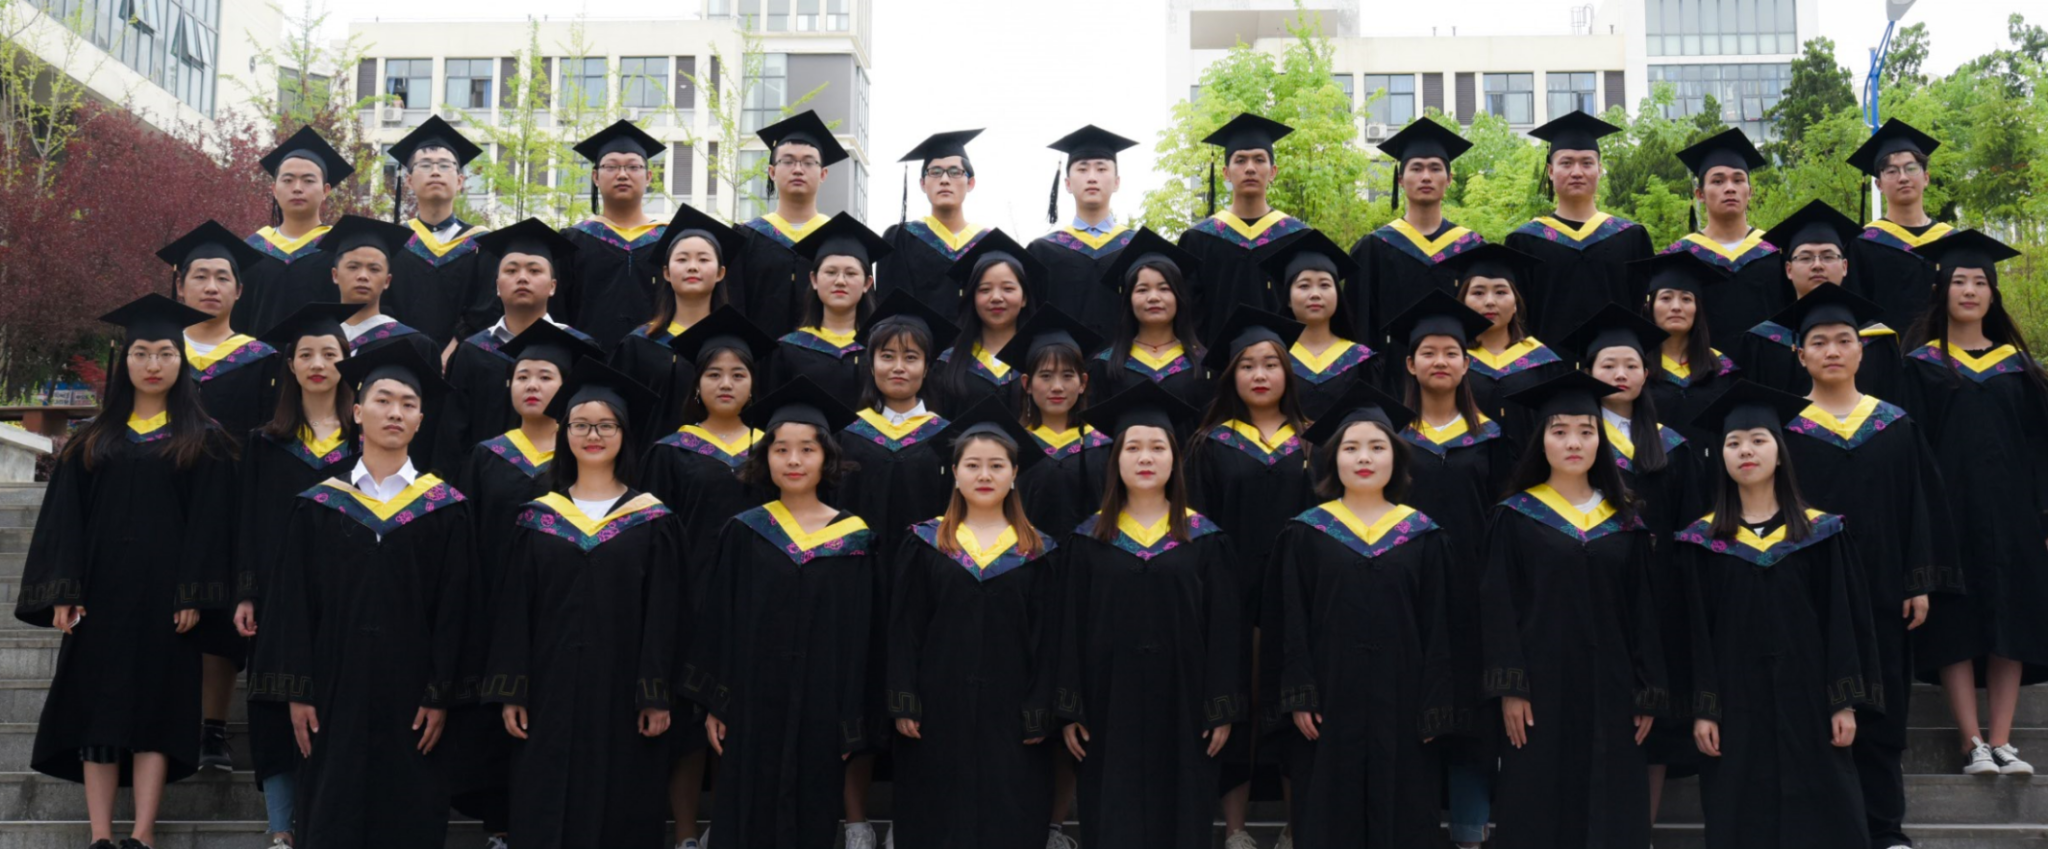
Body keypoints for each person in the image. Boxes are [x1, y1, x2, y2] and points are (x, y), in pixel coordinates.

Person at [16, 295, 236, 849]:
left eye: (165, 353)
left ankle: (142, 833)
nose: (153, 364)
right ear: (125, 361)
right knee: (97, 709)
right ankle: (100, 835)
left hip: (166, 598)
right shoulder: (93, 437)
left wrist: (193, 592)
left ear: (181, 360)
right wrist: (64, 589)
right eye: (141, 353)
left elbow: (210, 524)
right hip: (101, 594)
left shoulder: (202, 436)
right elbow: (64, 520)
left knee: (156, 709)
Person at [250, 341, 472, 849]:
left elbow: (456, 608)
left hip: (413, 693)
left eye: (408, 404)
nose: (395, 412)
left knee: (409, 812)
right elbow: (293, 605)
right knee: (334, 810)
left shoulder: (445, 509)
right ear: (357, 412)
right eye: (383, 400)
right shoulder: (319, 505)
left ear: (421, 420)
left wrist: (440, 694)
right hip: (333, 687)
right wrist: (298, 690)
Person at [1780, 283, 1957, 849]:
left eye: (1843, 340)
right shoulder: (1783, 430)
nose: (1832, 350)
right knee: (1811, 708)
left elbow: (1919, 507)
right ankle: (1822, 826)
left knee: (1881, 710)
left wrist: (1918, 580)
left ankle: (1884, 829)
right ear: (1799, 355)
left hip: (1882, 591)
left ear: (1861, 351)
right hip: (1807, 592)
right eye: (1819, 342)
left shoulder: (1894, 425)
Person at [483, 356, 681, 848]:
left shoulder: (652, 519)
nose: (593, 435)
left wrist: (655, 693)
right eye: (581, 425)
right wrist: (513, 689)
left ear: (624, 434)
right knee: (544, 797)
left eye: (606, 425)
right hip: (547, 689)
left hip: (623, 692)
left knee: (621, 803)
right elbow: (514, 611)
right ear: (565, 432)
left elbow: (664, 614)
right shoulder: (537, 518)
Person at [1680, 380, 1883, 849]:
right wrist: (1705, 709)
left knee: (1825, 812)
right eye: (1733, 443)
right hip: (1734, 702)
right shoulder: (1700, 543)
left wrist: (1843, 701)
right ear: (1722, 456)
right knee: (1741, 811)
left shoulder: (1820, 533)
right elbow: (1695, 634)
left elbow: (1842, 621)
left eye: (1758, 440)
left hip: (1810, 698)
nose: (1745, 451)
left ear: (1779, 451)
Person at [681, 377, 874, 849]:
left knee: (812, 810)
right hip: (751, 702)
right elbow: (720, 623)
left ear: (827, 457)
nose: (793, 460)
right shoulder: (745, 532)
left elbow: (862, 635)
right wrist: (717, 702)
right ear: (764, 458)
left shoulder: (855, 539)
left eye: (807, 450)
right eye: (781, 449)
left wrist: (852, 719)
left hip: (822, 706)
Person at [1055, 380, 1244, 849]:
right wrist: (1070, 706)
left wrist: (1221, 707)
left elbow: (1224, 630)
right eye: (1133, 447)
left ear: (1175, 460)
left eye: (1158, 447)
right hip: (1106, 701)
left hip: (1185, 701)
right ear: (1115, 460)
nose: (1145, 458)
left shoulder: (1205, 539)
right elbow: (1068, 628)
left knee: (1181, 810)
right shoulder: (1087, 541)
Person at [1480, 371, 1663, 849]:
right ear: (1541, 441)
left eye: (1586, 430)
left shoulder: (1625, 521)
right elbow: (1499, 605)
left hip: (1613, 685)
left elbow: (1643, 611)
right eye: (1559, 431)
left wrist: (1647, 689)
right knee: (1539, 797)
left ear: (1601, 440)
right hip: (1540, 687)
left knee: (1611, 798)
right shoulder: (1515, 516)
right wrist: (1511, 687)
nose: (1574, 442)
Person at [1274, 380, 1454, 849]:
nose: (1364, 457)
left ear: (1396, 457)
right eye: (1350, 447)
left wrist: (1435, 703)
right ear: (1333, 459)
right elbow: (1290, 620)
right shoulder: (1306, 533)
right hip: (1329, 697)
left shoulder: (1423, 535)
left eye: (1377, 446)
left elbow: (1439, 625)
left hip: (1404, 697)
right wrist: (1300, 693)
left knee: (1405, 808)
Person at [446, 320, 605, 845]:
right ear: (508, 386)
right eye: (522, 376)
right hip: (496, 610)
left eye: (545, 376)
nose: (532, 385)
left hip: (565, 614)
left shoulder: (584, 457)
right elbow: (466, 540)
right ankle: (499, 826)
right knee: (497, 715)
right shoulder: (486, 456)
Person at [1901, 230, 2048, 777]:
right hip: (1949, 514)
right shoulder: (1919, 366)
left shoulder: (2020, 369)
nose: (1969, 291)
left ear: (1992, 293)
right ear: (1941, 292)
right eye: (1959, 281)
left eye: (1979, 282)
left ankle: (2003, 741)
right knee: (1957, 625)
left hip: (2013, 516)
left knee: (2012, 617)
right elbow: (1913, 449)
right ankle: (1972, 742)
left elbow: (2040, 449)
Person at [885, 398, 1062, 849]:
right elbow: (904, 628)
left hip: (1012, 711)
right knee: (936, 812)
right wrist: (905, 700)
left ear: (1014, 474)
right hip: (936, 707)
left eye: (996, 465)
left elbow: (1049, 641)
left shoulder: (1039, 551)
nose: (985, 475)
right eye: (973, 465)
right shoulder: (924, 543)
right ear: (955, 473)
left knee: (1010, 811)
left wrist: (1038, 710)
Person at [1557, 303, 1704, 820]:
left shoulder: (1671, 446)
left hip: (1657, 600)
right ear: (1588, 372)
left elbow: (1690, 530)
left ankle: (1639, 829)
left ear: (1647, 373)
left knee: (1652, 716)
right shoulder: (1571, 443)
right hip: (1588, 593)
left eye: (1631, 365)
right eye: (1608, 365)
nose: (1621, 374)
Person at [638, 307, 776, 849]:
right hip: (689, 599)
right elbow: (655, 533)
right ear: (696, 384)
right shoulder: (671, 451)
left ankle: (733, 827)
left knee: (742, 716)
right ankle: (687, 834)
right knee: (691, 722)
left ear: (753, 383)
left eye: (738, 374)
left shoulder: (775, 450)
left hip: (756, 600)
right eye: (714, 373)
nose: (726, 383)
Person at [1379, 288, 1510, 849]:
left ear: (1466, 363)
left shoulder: (1492, 438)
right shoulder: (1389, 439)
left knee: (1471, 715)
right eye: (1428, 352)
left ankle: (1468, 832)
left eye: (1451, 352)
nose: (1440, 361)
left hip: (1471, 596)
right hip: (1403, 594)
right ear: (1410, 364)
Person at [1182, 308, 1314, 846]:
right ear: (1231, 376)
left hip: (1298, 595)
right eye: (1247, 365)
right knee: (1234, 702)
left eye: (1271, 364)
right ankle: (1236, 830)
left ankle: (1295, 827)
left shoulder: (1315, 442)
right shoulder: (1208, 444)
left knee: (1292, 704)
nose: (1260, 374)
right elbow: (1197, 527)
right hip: (1230, 594)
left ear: (1288, 373)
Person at [233, 302, 362, 849]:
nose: (317, 364)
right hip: (276, 595)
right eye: (305, 354)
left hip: (348, 595)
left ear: (346, 363)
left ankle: (328, 819)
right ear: (289, 365)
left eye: (329, 354)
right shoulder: (266, 442)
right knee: (273, 705)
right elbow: (246, 521)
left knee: (337, 704)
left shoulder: (364, 442)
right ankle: (282, 828)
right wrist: (246, 592)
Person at [834, 285, 957, 849]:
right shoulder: (847, 436)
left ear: (928, 366)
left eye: (911, 356)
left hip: (927, 591)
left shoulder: (948, 440)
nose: (898, 366)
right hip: (860, 585)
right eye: (887, 355)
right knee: (859, 699)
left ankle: (909, 820)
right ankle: (857, 822)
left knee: (919, 703)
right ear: (870, 362)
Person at [443, 219, 599, 458]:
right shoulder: (472, 351)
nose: (522, 278)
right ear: (497, 286)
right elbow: (452, 435)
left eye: (534, 271)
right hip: (484, 476)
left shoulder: (578, 348)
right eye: (511, 270)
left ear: (553, 286)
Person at [1508, 111, 1656, 343]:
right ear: (1551, 171)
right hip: (1547, 363)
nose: (1577, 172)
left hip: (1616, 363)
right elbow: (1517, 319)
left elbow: (1642, 311)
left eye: (1587, 163)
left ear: (1599, 169)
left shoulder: (1630, 238)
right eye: (1566, 163)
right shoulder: (1525, 241)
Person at [1736, 200, 1903, 397]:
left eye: (1828, 256)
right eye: (1805, 257)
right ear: (1788, 270)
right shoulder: (1762, 343)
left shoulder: (1877, 341)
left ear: (1845, 267)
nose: (1817, 265)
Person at [1348, 117, 1484, 352]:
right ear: (1400, 180)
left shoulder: (1472, 248)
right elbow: (1358, 326)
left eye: (1435, 168)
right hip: (1389, 372)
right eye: (1416, 168)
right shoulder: (1372, 249)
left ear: (1449, 179)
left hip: (1460, 369)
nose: (1426, 177)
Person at [612, 203, 744, 436]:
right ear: (666, 272)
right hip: (648, 456)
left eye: (703, 260)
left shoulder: (736, 344)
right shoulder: (639, 345)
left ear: (720, 273)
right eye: (682, 259)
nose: (692, 267)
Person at [1179, 113, 1311, 344]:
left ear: (1273, 172)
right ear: (1226, 173)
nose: (1250, 168)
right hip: (1215, 362)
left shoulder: (1298, 238)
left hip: (1284, 362)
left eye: (1259, 160)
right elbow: (1188, 317)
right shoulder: (1198, 240)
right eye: (1240, 160)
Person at [382, 116, 498, 347]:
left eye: (445, 165)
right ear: (409, 181)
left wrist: (454, 350)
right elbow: (384, 305)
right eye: (425, 165)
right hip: (403, 356)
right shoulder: (393, 242)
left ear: (460, 181)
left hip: (463, 358)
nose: (435, 172)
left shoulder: (483, 244)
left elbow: (486, 308)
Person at [159, 220, 280, 441]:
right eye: (200, 277)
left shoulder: (261, 360)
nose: (211, 288)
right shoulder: (157, 353)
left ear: (239, 291)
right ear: (180, 286)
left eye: (223, 278)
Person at [734, 111, 850, 340]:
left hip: (824, 359)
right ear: (772, 172)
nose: (798, 169)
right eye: (787, 161)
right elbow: (734, 305)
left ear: (823, 174)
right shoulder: (747, 237)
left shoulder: (841, 239)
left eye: (808, 162)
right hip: (757, 358)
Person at [553, 120, 669, 349]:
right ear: (595, 177)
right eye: (611, 166)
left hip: (656, 362)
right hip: (588, 361)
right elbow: (558, 311)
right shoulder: (571, 241)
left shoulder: (669, 240)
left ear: (649, 177)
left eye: (633, 167)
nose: (622, 174)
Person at [1666, 128, 1785, 345]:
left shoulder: (1777, 251)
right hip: (1703, 365)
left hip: (1769, 364)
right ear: (1700, 194)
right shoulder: (1679, 257)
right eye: (1718, 181)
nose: (1730, 188)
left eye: (1738, 180)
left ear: (1750, 192)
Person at [236, 127, 356, 333]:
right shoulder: (252, 249)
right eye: (288, 180)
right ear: (274, 190)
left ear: (326, 190)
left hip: (323, 353)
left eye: (308, 180)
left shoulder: (340, 248)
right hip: (259, 354)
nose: (297, 188)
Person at [1448, 243, 1566, 449]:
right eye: (1478, 293)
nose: (1490, 301)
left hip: (1529, 465)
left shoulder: (1543, 362)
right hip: (1466, 465)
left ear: (1515, 304)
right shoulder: (1451, 360)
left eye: (1501, 292)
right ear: (1463, 302)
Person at [1087, 228, 1213, 420]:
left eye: (1164, 288)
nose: (1153, 297)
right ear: (1129, 300)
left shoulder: (1203, 365)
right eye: (1142, 290)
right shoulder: (1104, 366)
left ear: (1179, 297)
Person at [1031, 125, 1142, 342]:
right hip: (1063, 362)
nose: (1092, 178)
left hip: (1127, 361)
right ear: (1067, 184)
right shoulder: (1043, 252)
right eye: (1082, 169)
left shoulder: (1137, 247)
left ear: (1117, 182)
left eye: (1101, 169)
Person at [770, 214, 890, 410]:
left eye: (851, 273)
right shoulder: (789, 349)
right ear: (814, 280)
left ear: (867, 283)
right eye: (831, 272)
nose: (840, 281)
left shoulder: (881, 349)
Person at [1259, 229, 1378, 420]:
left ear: (1338, 296)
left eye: (1325, 285)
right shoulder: (1274, 356)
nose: (1315, 294)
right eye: (1304, 286)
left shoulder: (1360, 359)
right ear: (1288, 299)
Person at [1846, 119, 1951, 333]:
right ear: (1879, 184)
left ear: (1926, 178)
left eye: (1911, 168)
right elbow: (1853, 313)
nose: (1903, 178)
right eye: (1891, 171)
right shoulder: (1861, 244)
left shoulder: (1951, 242)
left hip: (1945, 352)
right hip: (1885, 352)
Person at [879, 129, 994, 313]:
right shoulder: (901, 239)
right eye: (935, 172)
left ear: (970, 183)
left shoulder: (989, 243)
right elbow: (891, 308)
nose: (945, 180)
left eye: (955, 172)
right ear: (923, 184)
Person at [1634, 251, 1741, 449]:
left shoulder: (1721, 368)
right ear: (1650, 307)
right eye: (1666, 298)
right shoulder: (1635, 366)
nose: (1676, 307)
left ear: (1697, 309)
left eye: (1686, 299)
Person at [935, 230, 1040, 414]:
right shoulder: (948, 363)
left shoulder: (1040, 359)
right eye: (985, 290)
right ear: (973, 298)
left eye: (1008, 288)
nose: (996, 297)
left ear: (1024, 298)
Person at [317, 215, 436, 360]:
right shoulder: (315, 339)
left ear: (387, 281)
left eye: (374, 269)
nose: (363, 276)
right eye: (353, 267)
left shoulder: (412, 344)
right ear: (335, 275)